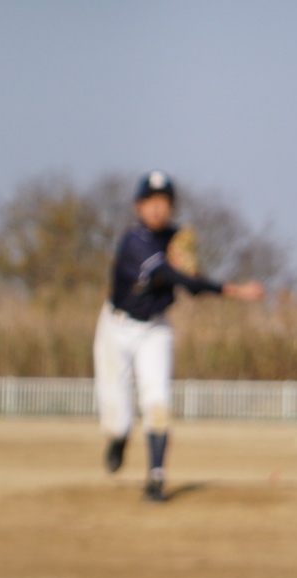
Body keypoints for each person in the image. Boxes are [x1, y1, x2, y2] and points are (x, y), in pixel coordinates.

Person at [94, 171, 264, 502]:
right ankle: (118, 438)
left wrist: (194, 270)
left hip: (154, 329)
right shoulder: (135, 243)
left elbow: (192, 283)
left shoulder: (176, 238)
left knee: (157, 401)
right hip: (116, 328)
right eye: (151, 202)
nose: (158, 209)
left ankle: (156, 477)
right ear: (138, 206)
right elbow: (175, 277)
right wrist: (234, 290)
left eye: (164, 202)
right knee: (117, 420)